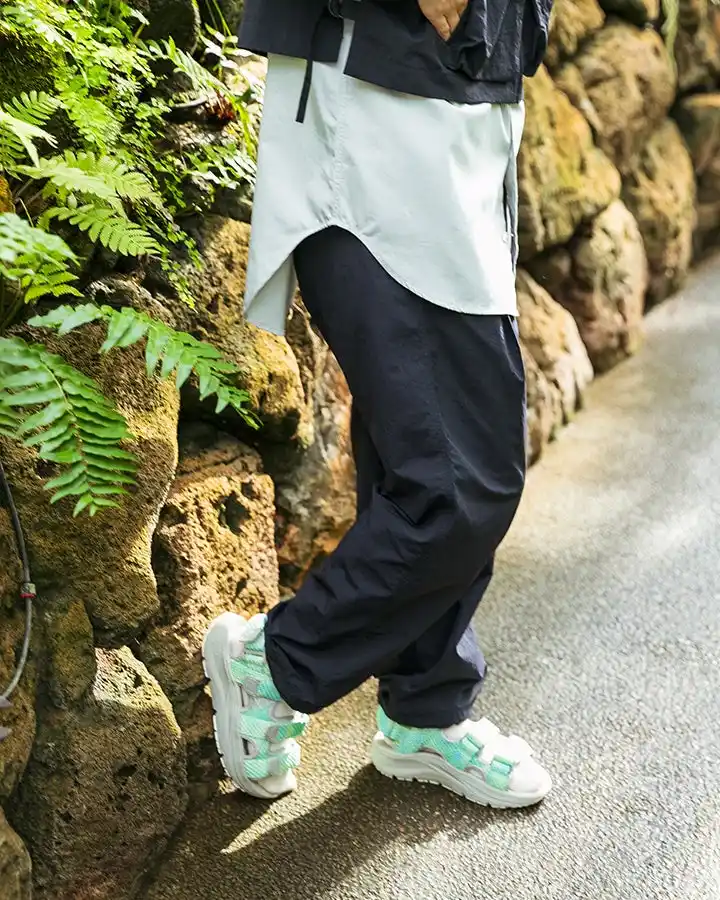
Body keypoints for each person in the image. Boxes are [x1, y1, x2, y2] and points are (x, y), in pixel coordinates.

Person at [202, 0, 553, 808]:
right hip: (373, 108)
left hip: (458, 110)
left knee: (431, 453)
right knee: (461, 484)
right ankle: (277, 661)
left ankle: (425, 708)